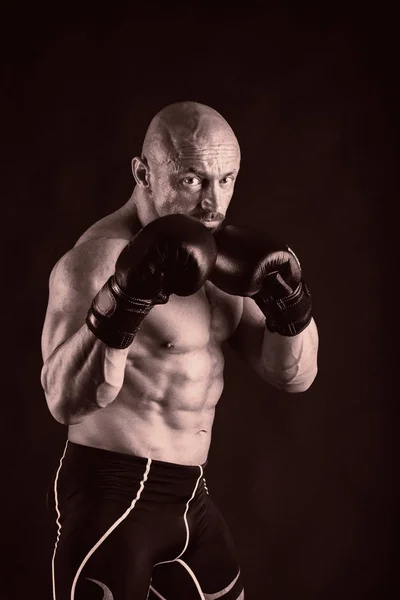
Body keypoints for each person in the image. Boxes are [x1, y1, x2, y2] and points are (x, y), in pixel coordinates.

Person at [41, 101, 319, 600]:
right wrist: (124, 300)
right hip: (111, 494)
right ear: (143, 173)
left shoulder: (226, 258)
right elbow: (63, 400)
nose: (213, 204)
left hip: (191, 496)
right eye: (192, 180)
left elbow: (292, 375)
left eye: (226, 179)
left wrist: (290, 305)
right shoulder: (99, 258)